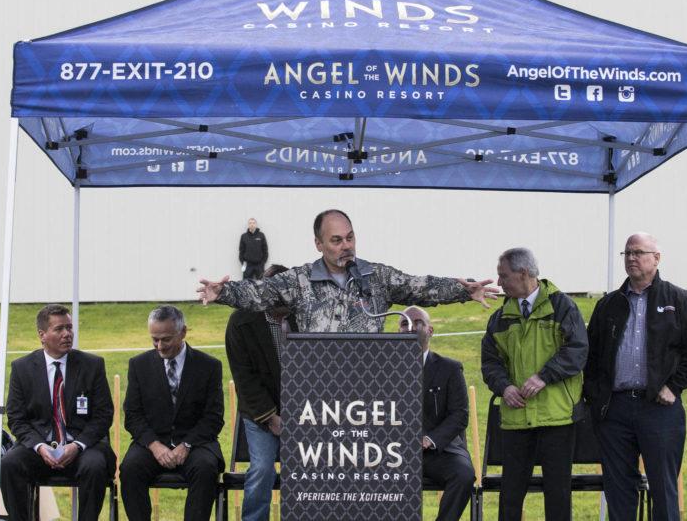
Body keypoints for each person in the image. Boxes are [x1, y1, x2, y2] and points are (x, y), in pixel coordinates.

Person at [199, 209, 497, 332]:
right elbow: (258, 293)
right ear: (319, 244)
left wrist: (464, 289)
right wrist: (223, 292)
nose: (346, 246)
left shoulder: (376, 277)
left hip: (367, 391)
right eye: (336, 240)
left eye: (350, 237)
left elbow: (421, 286)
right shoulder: (300, 280)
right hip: (316, 393)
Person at [583, 233, 687, 521]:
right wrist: (596, 395)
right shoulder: (609, 304)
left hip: (659, 409)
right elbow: (590, 356)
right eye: (627, 253)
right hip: (615, 410)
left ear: (657, 258)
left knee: (663, 489)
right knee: (619, 490)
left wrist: (674, 386)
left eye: (638, 252)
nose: (632, 258)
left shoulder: (677, 300)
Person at [481, 248, 587, 521]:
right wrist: (504, 387)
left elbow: (577, 350)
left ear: (523, 273)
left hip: (558, 418)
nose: (499, 282)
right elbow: (490, 363)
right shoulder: (500, 317)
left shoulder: (563, 307)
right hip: (516, 420)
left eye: (503, 276)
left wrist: (544, 376)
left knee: (558, 496)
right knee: (510, 497)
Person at [0, 304, 116, 521]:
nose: (67, 334)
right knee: (9, 464)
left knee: (95, 466)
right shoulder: (22, 368)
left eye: (69, 328)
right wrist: (39, 446)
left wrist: (77, 445)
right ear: (42, 335)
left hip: (83, 447)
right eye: (59, 329)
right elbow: (16, 418)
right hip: (40, 448)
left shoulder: (92, 365)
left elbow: (103, 415)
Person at [120, 305, 225, 521]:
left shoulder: (209, 366)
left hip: (196, 444)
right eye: (154, 339)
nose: (160, 346)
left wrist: (186, 445)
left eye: (166, 339)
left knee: (205, 469)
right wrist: (154, 445)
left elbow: (213, 417)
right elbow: (132, 414)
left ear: (183, 331)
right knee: (129, 469)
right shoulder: (138, 365)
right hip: (152, 444)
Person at [224, 263, 295, 521]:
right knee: (263, 469)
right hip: (260, 413)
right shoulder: (241, 323)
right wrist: (271, 418)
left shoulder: (303, 317)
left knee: (310, 469)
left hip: (303, 411)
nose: (286, 308)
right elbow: (244, 379)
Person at [398, 306, 476, 521]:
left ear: (430, 330)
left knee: (464, 475)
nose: (411, 327)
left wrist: (429, 440)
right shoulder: (385, 371)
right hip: (396, 453)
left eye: (418, 322)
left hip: (439, 452)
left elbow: (460, 415)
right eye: (404, 323)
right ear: (398, 332)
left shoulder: (450, 369)